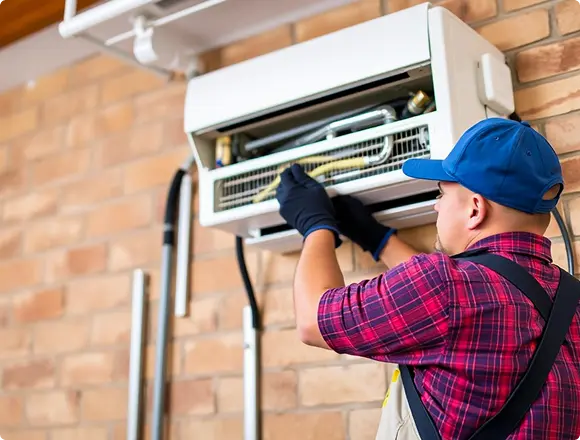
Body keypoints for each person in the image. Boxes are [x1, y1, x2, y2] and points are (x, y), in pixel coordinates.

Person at [275, 117, 580, 440]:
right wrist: (379, 239)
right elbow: (463, 304)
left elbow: (312, 319)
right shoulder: (571, 302)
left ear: (475, 209)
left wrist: (316, 225)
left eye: (441, 194)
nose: (436, 206)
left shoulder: (446, 288)